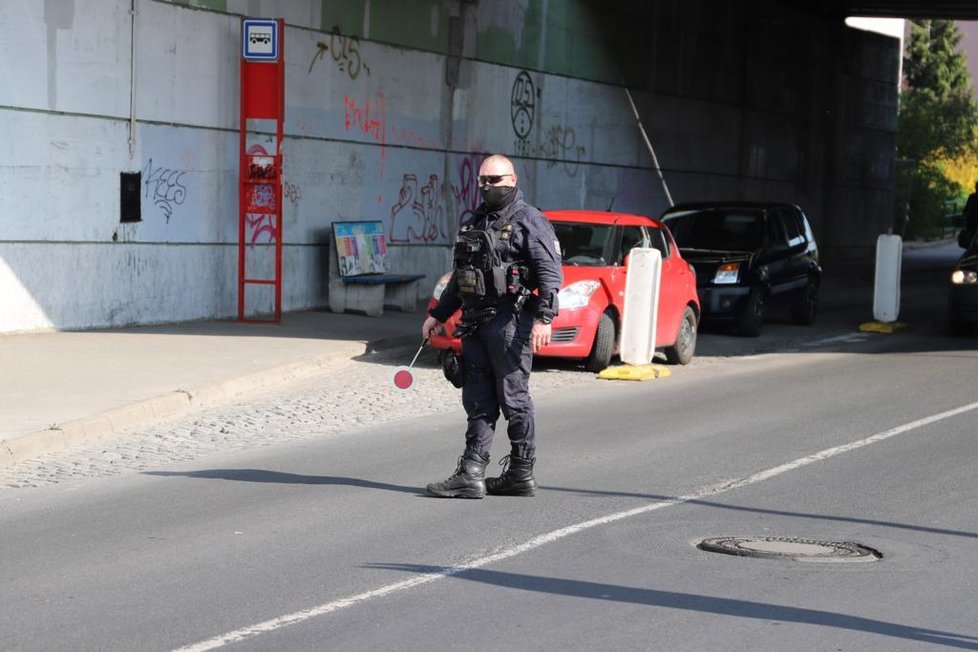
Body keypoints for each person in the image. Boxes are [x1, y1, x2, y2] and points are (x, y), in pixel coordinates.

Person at [421, 154, 562, 498]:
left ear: (512, 179)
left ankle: (520, 471)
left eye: (494, 180)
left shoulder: (530, 220)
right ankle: (471, 472)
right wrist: (439, 315)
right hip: (475, 322)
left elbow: (550, 272)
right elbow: (462, 277)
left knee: (514, 398)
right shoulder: (478, 220)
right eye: (483, 181)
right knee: (478, 398)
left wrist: (545, 317)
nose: (487, 186)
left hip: (510, 321)